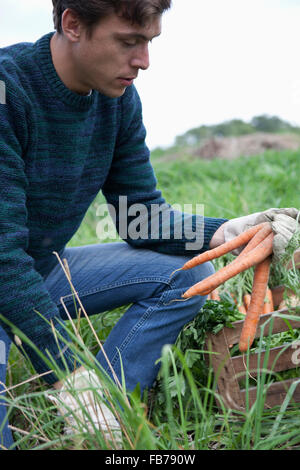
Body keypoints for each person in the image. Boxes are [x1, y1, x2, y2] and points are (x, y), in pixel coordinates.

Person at [0, 0, 298, 448]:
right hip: (6, 274)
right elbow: (2, 259)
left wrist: (226, 232)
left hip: (38, 270)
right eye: (128, 42)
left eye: (149, 42)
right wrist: (67, 371)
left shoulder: (116, 99)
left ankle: (105, 413)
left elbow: (140, 217)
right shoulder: (9, 90)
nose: (143, 61)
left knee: (186, 274)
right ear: (73, 24)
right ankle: (80, 395)